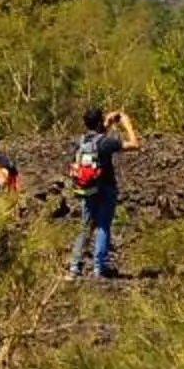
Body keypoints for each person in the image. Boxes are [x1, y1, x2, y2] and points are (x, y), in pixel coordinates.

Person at [64, 107, 142, 281]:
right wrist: (127, 124)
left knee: (85, 227)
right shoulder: (107, 142)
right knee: (102, 226)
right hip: (105, 188)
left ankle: (74, 267)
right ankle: (99, 268)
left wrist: (105, 122)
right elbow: (134, 144)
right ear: (99, 122)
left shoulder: (80, 141)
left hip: (87, 189)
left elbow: (96, 137)